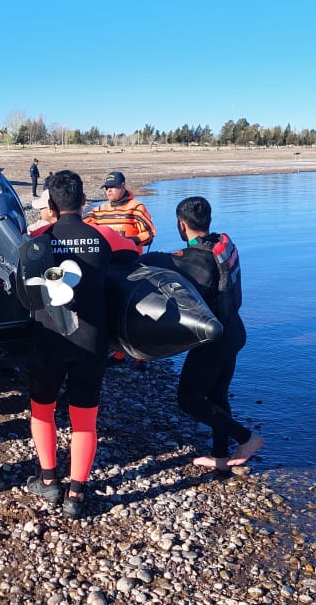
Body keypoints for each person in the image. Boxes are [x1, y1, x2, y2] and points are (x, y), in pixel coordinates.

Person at [140, 196, 263, 470]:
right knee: (217, 395)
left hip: (214, 339)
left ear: (181, 226)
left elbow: (153, 260)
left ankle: (247, 438)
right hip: (235, 331)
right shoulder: (223, 244)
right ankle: (220, 456)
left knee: (188, 399)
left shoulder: (190, 260)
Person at [19, 170, 112, 519]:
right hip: (91, 340)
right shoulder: (103, 238)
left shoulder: (39, 240)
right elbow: (131, 254)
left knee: (42, 410)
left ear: (51, 204)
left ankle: (48, 481)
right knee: (85, 418)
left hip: (49, 339)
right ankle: (76, 494)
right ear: (84, 201)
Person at [84, 171, 156, 250]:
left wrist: (129, 241)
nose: (109, 190)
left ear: (123, 186)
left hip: (130, 258)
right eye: (106, 188)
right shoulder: (99, 211)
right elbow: (79, 226)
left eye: (112, 186)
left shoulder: (136, 208)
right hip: (106, 259)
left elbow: (149, 234)